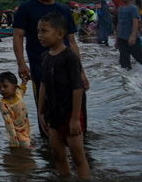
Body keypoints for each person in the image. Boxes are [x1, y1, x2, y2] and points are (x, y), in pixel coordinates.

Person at [12, 0, 88, 125]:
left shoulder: (64, 10)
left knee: (77, 113)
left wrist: (81, 71)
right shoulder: (25, 9)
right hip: (40, 67)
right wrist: (21, 64)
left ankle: (81, 146)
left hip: (68, 66)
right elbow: (18, 37)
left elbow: (72, 41)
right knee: (47, 113)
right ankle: (49, 148)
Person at [36, 12, 90, 180]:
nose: (40, 35)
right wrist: (40, 111)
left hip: (70, 114)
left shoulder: (70, 58)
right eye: (38, 31)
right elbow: (43, 84)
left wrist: (75, 118)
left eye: (44, 31)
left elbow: (77, 88)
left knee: (77, 156)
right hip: (53, 114)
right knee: (58, 154)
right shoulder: (44, 57)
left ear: (60, 34)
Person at [0, 72, 32, 149]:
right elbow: (8, 123)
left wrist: (24, 82)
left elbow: (22, 90)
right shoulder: (3, 104)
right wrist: (14, 140)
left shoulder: (18, 94)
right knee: (28, 149)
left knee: (28, 144)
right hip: (16, 131)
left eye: (5, 86)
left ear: (15, 87)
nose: (2, 89)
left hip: (25, 127)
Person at [115, 0, 141, 69]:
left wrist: (133, 36)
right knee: (124, 60)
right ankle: (127, 79)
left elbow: (135, 22)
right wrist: (117, 38)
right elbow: (119, 23)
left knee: (139, 57)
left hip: (131, 38)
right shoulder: (120, 8)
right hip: (121, 38)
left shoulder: (133, 8)